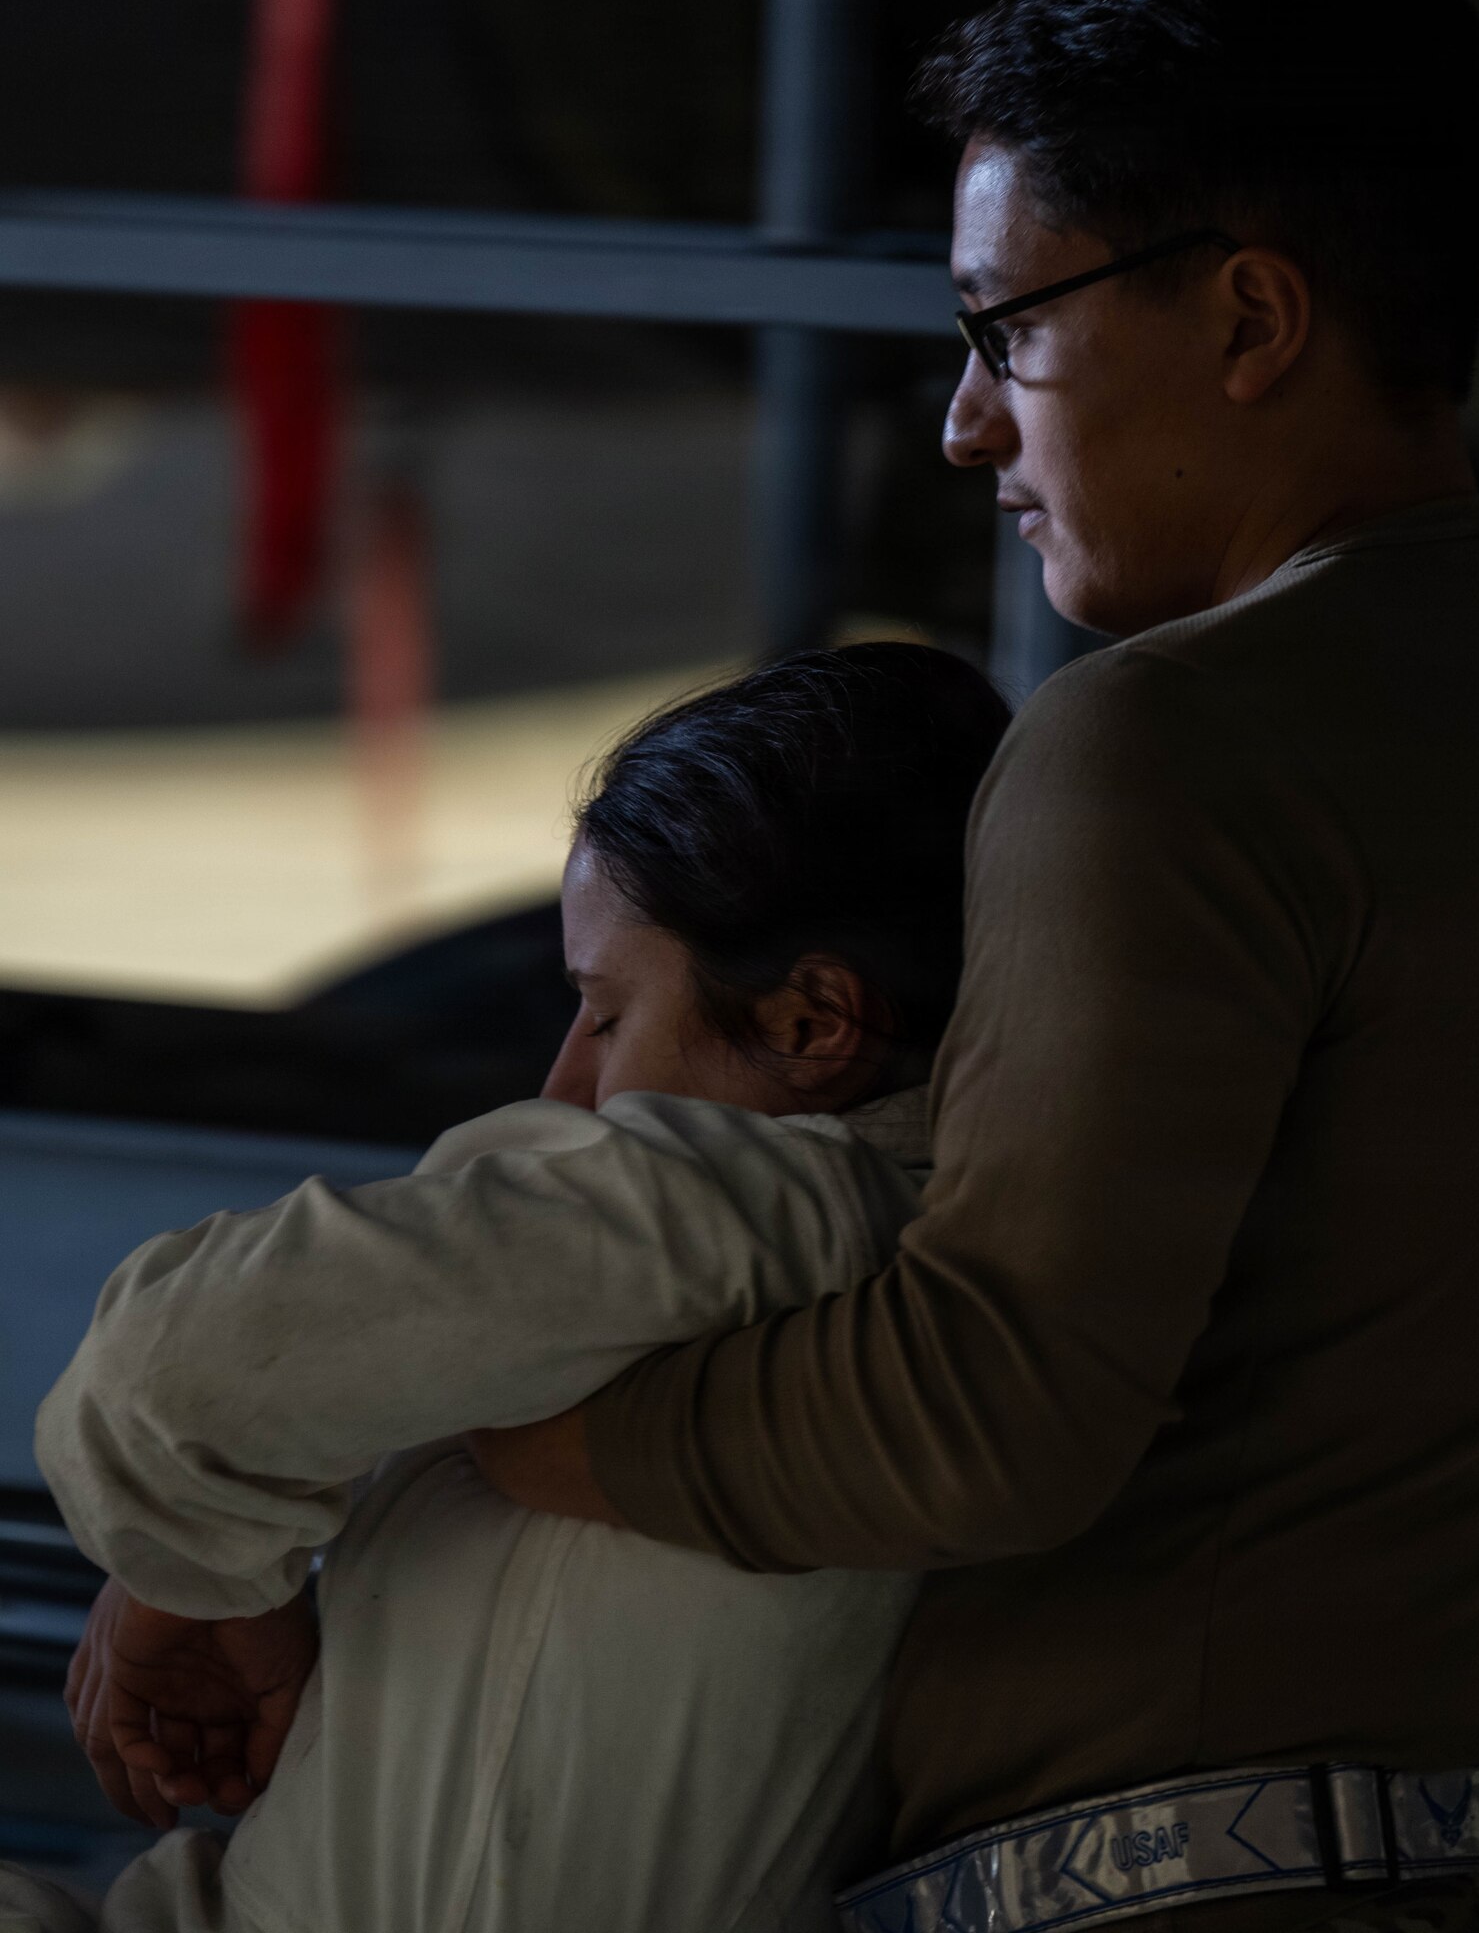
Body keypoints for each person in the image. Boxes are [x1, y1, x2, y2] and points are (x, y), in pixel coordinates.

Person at [484, 0, 1479, 1930]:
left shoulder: (1166, 734)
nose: (966, 427)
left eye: (1009, 327)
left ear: (1249, 313)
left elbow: (978, 1404)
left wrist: (468, 1428)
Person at [14, 643, 1010, 1933]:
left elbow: (175, 1372)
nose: (561, 1087)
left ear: (813, 1025)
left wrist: (196, 1577)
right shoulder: (892, 1255)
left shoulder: (746, 1204)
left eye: (604, 1013)